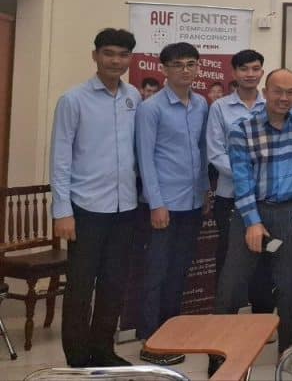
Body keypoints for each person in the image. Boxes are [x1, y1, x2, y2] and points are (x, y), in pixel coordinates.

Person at [210, 69, 292, 375]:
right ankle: (218, 359)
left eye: (290, 92)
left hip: (291, 212)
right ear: (265, 92)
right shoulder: (243, 128)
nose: (284, 98)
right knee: (231, 286)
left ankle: (287, 355)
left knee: (289, 286)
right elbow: (242, 180)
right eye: (278, 91)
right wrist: (252, 222)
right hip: (252, 211)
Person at [51, 28, 140, 367]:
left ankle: (103, 350)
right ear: (95, 56)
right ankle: (77, 357)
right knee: (80, 285)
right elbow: (60, 158)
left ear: (130, 59)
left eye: (123, 54)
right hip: (85, 208)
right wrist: (62, 210)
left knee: (114, 284)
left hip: (125, 207)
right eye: (108, 53)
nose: (115, 60)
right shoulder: (73, 100)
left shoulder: (133, 97)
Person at [135, 42, 209, 366]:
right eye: (178, 64)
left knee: (179, 271)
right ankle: (150, 339)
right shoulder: (150, 109)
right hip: (162, 204)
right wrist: (156, 203)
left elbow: (202, 151)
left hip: (191, 202)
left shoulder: (202, 104)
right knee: (156, 273)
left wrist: (204, 190)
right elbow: (145, 158)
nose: (185, 70)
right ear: (164, 69)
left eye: (191, 64)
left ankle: (170, 331)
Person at [206, 49, 273, 313]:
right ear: (233, 73)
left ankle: (262, 320)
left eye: (255, 69)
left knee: (265, 260)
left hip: (265, 197)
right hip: (230, 197)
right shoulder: (220, 108)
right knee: (230, 261)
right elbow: (215, 153)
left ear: (262, 72)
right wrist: (248, 176)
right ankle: (226, 322)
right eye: (244, 69)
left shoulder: (271, 105)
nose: (250, 74)